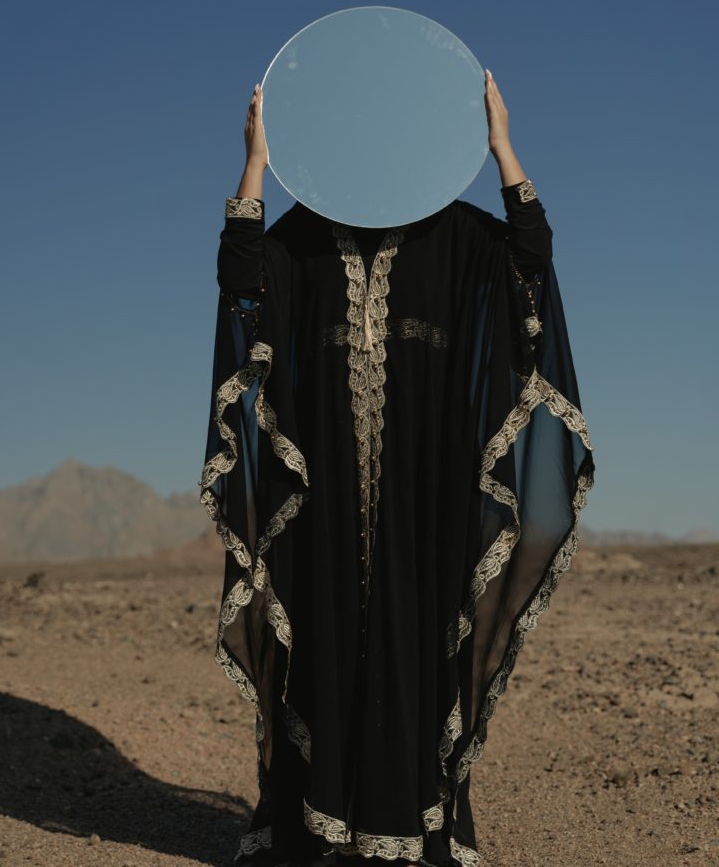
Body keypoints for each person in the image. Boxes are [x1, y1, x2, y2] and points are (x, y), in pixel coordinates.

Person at [201, 72, 594, 867]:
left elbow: (532, 259)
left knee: (418, 645)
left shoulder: (457, 238)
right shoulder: (305, 240)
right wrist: (255, 162)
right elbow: (241, 277)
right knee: (325, 644)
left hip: (428, 491)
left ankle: (412, 827)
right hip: (326, 494)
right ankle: (320, 828)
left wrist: (501, 147)